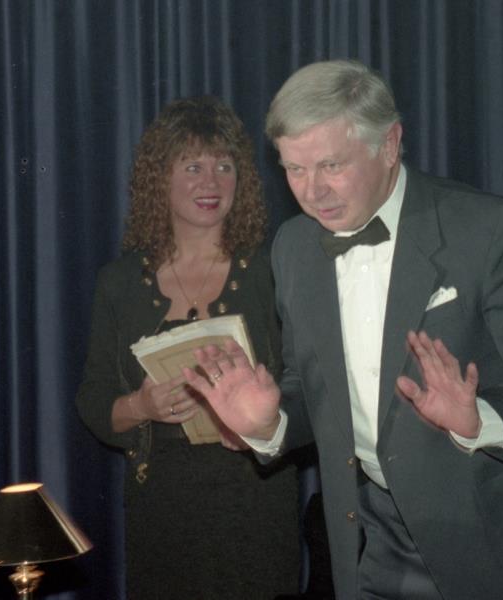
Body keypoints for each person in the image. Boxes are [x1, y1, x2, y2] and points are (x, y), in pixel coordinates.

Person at [183, 60, 503, 599]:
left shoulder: (483, 229)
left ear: (389, 145)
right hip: (382, 543)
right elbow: (313, 388)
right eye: (294, 169)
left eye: (331, 165)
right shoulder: (294, 247)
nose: (312, 191)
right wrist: (270, 423)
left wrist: (480, 416)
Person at [75, 96, 300, 599]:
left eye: (224, 166)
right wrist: (142, 405)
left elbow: (306, 386)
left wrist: (260, 411)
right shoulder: (119, 282)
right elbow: (93, 399)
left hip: (256, 502)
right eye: (193, 166)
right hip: (163, 509)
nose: (211, 182)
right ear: (160, 179)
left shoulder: (273, 271)